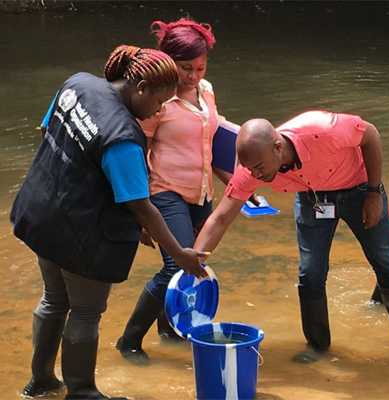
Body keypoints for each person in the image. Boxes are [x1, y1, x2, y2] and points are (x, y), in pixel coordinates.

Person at [11, 45, 205, 400]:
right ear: (141, 87)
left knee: (54, 298)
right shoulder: (123, 136)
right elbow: (141, 205)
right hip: (79, 232)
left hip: (42, 212)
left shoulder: (78, 85)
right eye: (159, 102)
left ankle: (40, 383)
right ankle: (82, 392)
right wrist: (179, 254)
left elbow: (47, 132)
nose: (158, 110)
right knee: (85, 311)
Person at [192, 111, 389, 363]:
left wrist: (374, 192)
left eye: (258, 168)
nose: (255, 175)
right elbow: (221, 217)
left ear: (277, 147)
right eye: (249, 169)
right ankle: (318, 347)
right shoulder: (252, 168)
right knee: (310, 273)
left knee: (385, 262)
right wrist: (195, 261)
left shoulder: (321, 130)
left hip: (359, 189)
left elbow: (371, 134)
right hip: (314, 199)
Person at [115, 18, 234, 364]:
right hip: (165, 191)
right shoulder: (157, 101)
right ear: (168, 62)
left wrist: (233, 178)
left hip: (202, 193)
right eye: (185, 68)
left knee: (194, 265)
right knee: (176, 268)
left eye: (200, 67)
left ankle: (168, 330)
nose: (193, 75)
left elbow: (210, 139)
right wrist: (137, 214)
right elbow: (137, 150)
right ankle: (129, 341)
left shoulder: (207, 90)